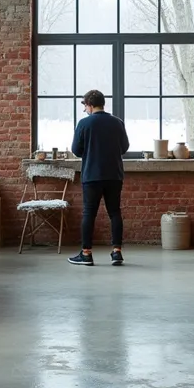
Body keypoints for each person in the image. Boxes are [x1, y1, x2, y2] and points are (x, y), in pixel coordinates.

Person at [67, 90, 130, 267]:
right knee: (115, 212)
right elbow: (124, 147)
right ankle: (117, 252)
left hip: (92, 175)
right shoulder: (117, 123)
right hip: (114, 175)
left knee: (89, 213)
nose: (85, 110)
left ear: (89, 104)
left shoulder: (84, 124)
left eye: (85, 106)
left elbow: (76, 150)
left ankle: (86, 254)